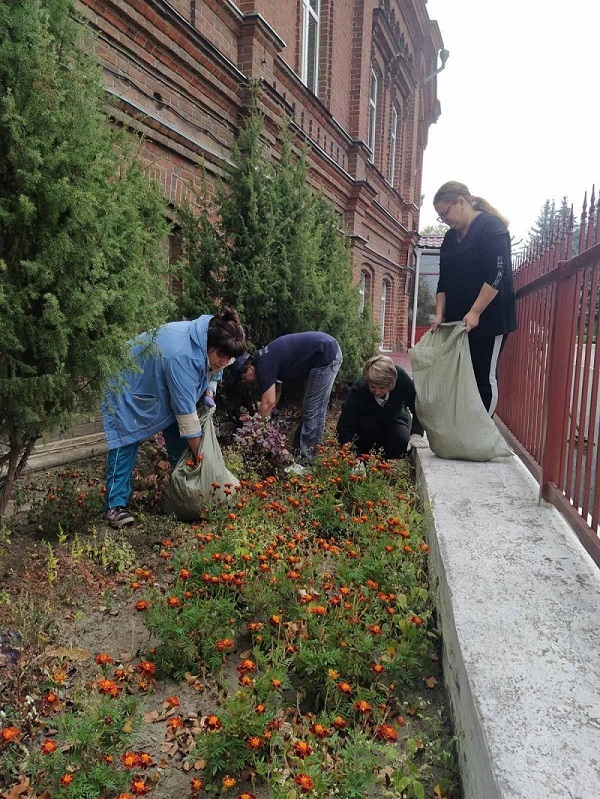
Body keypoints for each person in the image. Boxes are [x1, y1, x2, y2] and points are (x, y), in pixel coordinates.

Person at [102, 308, 246, 528]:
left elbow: (216, 370)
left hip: (160, 379)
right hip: (127, 379)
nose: (225, 362)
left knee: (182, 443)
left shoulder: (214, 337)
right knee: (127, 437)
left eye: (230, 358)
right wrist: (206, 459)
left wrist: (209, 390)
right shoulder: (183, 356)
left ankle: (190, 493)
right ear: (209, 346)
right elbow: (186, 415)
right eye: (221, 356)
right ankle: (115, 506)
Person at [432, 181, 516, 415]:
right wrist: (439, 314)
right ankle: (464, 430)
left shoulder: (491, 227)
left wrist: (476, 311)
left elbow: (498, 272)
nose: (444, 219)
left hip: (489, 320)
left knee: (483, 377)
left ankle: (482, 432)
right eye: (440, 217)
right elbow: (443, 280)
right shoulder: (450, 238)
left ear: (461, 201)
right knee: (460, 375)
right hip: (458, 322)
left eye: (445, 213)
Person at [232, 332, 343, 463]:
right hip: (321, 354)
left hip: (326, 355)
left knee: (314, 408)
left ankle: (307, 461)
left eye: (243, 378)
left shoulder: (263, 366)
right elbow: (276, 393)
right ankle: (298, 453)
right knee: (309, 406)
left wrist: (259, 430)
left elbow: (267, 403)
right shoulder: (263, 359)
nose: (245, 382)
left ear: (249, 367)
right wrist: (268, 420)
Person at [336, 355, 427, 458]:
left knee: (402, 444)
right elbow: (345, 423)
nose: (377, 392)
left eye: (382, 388)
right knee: (368, 428)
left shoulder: (401, 379)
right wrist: (352, 454)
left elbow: (417, 406)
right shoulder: (359, 389)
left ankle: (384, 460)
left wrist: (416, 433)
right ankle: (365, 456)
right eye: (373, 387)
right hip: (366, 424)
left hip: (394, 418)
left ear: (391, 384)